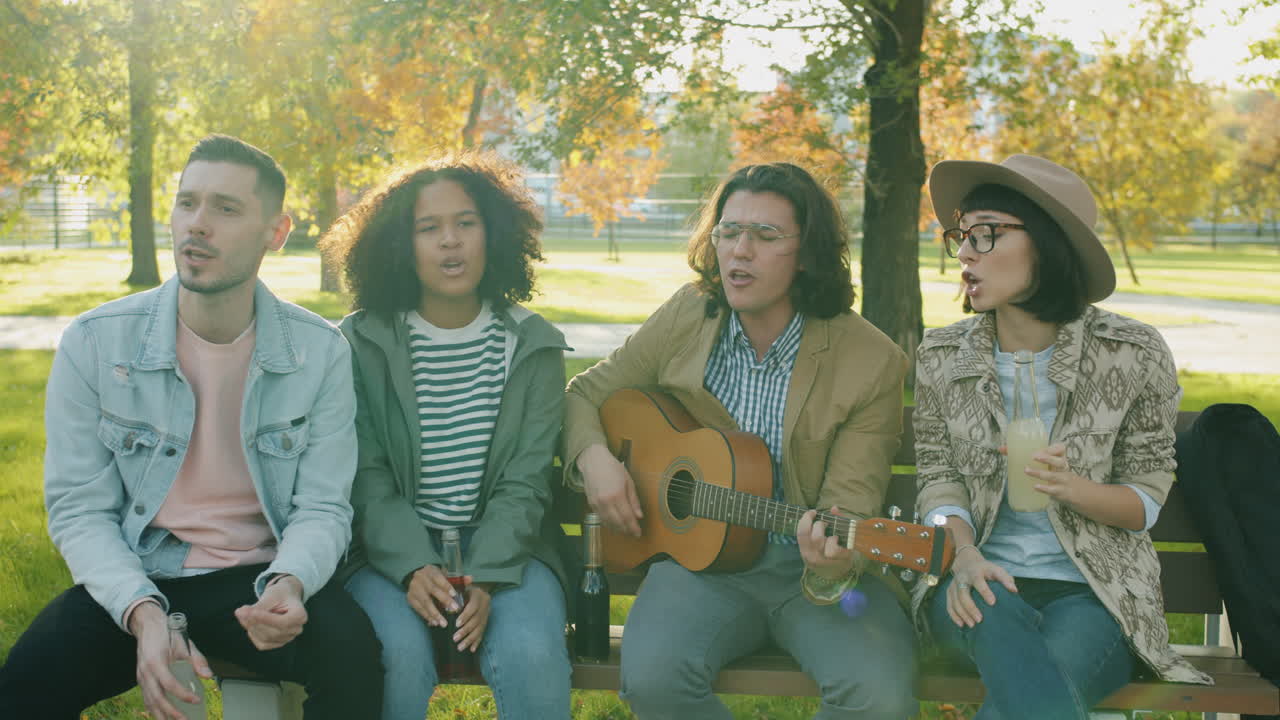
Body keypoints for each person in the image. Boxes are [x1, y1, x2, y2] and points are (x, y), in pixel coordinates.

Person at [0, 134, 383, 720]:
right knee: (26, 685)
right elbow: (79, 509)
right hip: (142, 570)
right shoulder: (95, 342)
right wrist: (142, 612)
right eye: (187, 202)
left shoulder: (320, 352)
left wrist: (291, 583)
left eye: (226, 208)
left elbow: (324, 506)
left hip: (260, 578)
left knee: (352, 656)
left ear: (275, 233)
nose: (197, 223)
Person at [564, 162, 917, 720]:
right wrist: (594, 458)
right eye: (728, 232)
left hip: (809, 573)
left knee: (878, 698)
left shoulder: (870, 362)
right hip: (700, 570)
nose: (740, 251)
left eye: (765, 235)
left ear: (807, 254)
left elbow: (850, 504)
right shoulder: (688, 315)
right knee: (653, 681)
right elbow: (582, 394)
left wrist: (831, 557)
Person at [912, 154, 1213, 720]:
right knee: (1003, 630)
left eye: (986, 234)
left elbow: (1144, 501)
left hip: (1094, 593)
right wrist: (965, 555)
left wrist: (1071, 488)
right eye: (962, 236)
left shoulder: (1132, 353)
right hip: (977, 579)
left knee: (1038, 679)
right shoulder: (942, 356)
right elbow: (937, 478)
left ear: (1049, 244)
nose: (966, 253)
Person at [318, 151, 572, 720]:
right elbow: (367, 476)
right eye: (428, 228)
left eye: (466, 223)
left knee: (532, 655)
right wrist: (413, 565)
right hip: (387, 555)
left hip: (509, 552)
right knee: (395, 658)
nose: (450, 241)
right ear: (400, 245)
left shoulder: (532, 345)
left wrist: (487, 575)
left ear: (493, 234)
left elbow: (526, 480)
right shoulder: (360, 344)